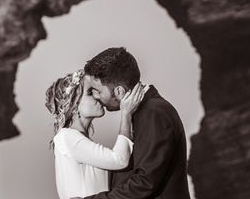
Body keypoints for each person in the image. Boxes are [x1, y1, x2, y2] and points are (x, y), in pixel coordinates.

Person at [80, 47, 191, 199]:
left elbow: (145, 182)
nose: (96, 96)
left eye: (98, 91)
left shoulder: (154, 112)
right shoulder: (141, 112)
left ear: (119, 92)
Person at [45, 68, 149, 199]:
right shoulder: (66, 137)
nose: (97, 96)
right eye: (89, 92)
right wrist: (126, 114)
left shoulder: (78, 140)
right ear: (74, 105)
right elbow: (120, 160)